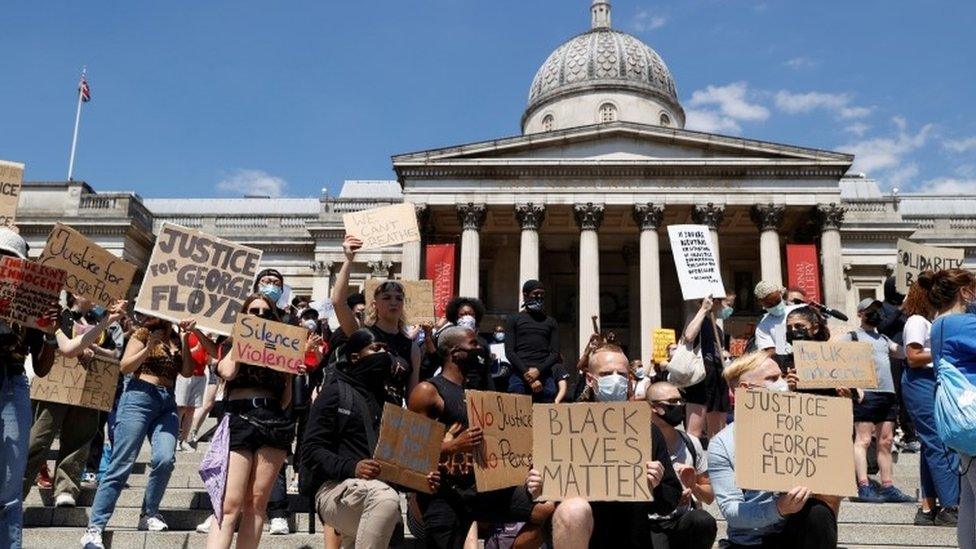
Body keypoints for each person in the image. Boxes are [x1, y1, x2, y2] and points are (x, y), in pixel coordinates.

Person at [408, 326, 554, 549]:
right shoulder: (428, 391)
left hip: (481, 487)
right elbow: (410, 449)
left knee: (547, 509)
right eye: (474, 344)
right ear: (454, 352)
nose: (480, 349)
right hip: (445, 493)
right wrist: (454, 445)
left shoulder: (476, 393)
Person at [300, 328, 440, 548]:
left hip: (374, 493)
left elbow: (396, 462)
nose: (384, 355)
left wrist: (420, 478)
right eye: (376, 349)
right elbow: (310, 451)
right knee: (385, 499)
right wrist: (352, 467)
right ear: (355, 357)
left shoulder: (389, 403)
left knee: (384, 502)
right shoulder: (334, 393)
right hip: (335, 491)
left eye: (386, 350)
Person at [538, 343, 681, 549]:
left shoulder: (646, 431)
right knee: (573, 508)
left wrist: (657, 485)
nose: (616, 379)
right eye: (606, 373)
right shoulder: (564, 427)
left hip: (631, 538)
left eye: (622, 374)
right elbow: (538, 494)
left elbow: (669, 501)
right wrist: (536, 484)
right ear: (590, 379)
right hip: (577, 536)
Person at [205, 294, 320, 549]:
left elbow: (285, 400)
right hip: (239, 418)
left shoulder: (279, 346)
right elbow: (227, 372)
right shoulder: (232, 342)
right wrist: (243, 336)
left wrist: (291, 370)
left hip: (273, 422)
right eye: (253, 312)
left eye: (265, 313)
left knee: (257, 504)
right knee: (228, 504)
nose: (259, 316)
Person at [81, 314, 202, 549]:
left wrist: (186, 340)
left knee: (165, 459)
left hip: (167, 403)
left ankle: (149, 513)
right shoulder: (143, 332)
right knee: (121, 464)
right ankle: (94, 527)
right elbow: (125, 366)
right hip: (139, 396)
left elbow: (187, 372)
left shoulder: (177, 338)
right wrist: (148, 347)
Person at [710, 351, 839, 548]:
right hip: (751, 542)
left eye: (782, 376)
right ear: (746, 389)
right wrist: (779, 508)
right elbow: (731, 511)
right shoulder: (722, 444)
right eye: (772, 379)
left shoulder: (804, 429)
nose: (783, 383)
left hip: (794, 532)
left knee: (818, 513)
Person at [22, 295, 127, 508]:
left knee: (80, 439)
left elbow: (114, 353)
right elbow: (58, 346)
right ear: (74, 293)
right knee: (39, 438)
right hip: (57, 384)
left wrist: (97, 345)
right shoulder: (60, 316)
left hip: (90, 387)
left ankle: (66, 488)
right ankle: (18, 486)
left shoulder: (98, 320)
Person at [0, 227, 61, 549]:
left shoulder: (30, 304)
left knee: (8, 488)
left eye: (11, 261)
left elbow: (42, 367)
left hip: (11, 384)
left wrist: (50, 333)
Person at [919, 268, 976, 549]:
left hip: (962, 416)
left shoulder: (939, 323)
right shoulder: (963, 324)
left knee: (970, 501)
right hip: (972, 412)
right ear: (964, 292)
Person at [839, 298, 915, 504]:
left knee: (886, 441)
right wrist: (852, 387)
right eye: (869, 310)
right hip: (866, 394)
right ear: (860, 314)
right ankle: (863, 485)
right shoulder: (851, 337)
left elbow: (903, 353)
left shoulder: (883, 338)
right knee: (863, 440)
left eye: (877, 310)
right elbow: (831, 356)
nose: (875, 313)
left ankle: (888, 485)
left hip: (887, 394)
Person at [332, 235, 421, 405]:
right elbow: (338, 302)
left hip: (390, 418)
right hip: (358, 412)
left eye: (398, 298)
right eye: (387, 298)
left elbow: (412, 397)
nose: (393, 302)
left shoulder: (412, 348)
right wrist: (348, 260)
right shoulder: (362, 334)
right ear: (375, 304)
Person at [900, 276, 958, 526]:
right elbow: (913, 356)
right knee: (940, 443)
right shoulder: (916, 321)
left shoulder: (928, 322)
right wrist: (947, 350)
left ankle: (928, 506)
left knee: (931, 445)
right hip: (921, 381)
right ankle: (950, 504)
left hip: (927, 380)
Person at [645, 381, 717, 549]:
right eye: (672, 402)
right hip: (652, 521)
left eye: (680, 401)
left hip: (682, 521)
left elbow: (709, 496)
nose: (678, 406)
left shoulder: (690, 443)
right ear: (653, 407)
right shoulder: (638, 444)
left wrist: (694, 487)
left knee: (702, 521)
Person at [681, 293, 734, 439]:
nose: (730, 309)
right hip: (702, 375)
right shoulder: (698, 319)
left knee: (718, 433)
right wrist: (704, 309)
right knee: (694, 432)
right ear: (716, 302)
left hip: (718, 375)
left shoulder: (718, 329)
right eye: (728, 304)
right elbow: (689, 336)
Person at [877, 276, 919, 453]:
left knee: (908, 396)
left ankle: (911, 436)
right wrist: (899, 310)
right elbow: (882, 328)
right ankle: (890, 436)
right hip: (891, 357)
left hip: (908, 356)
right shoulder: (881, 307)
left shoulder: (910, 309)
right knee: (892, 396)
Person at [505, 280, 560, 402]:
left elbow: (555, 353)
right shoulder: (513, 319)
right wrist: (528, 375)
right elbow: (509, 351)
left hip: (545, 376)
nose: (539, 297)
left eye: (542, 294)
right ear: (525, 295)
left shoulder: (551, 322)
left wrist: (539, 370)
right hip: (519, 375)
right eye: (536, 294)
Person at [175, 331, 210, 452]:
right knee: (181, 408)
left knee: (191, 409)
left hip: (200, 374)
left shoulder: (205, 333)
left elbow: (209, 358)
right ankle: (174, 440)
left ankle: (183, 440)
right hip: (185, 374)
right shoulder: (185, 332)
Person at [753, 281, 802, 358]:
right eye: (770, 304)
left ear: (780, 294)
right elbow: (776, 350)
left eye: (777, 301)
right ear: (761, 303)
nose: (775, 306)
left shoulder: (800, 310)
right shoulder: (764, 326)